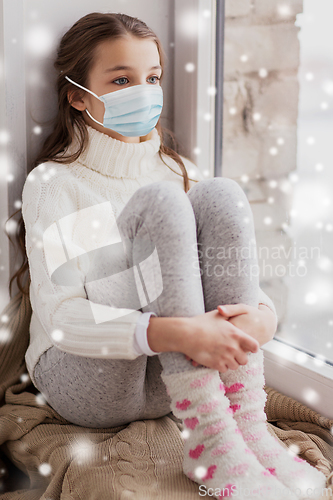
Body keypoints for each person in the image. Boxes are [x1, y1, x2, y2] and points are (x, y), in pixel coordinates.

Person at [16, 12, 325, 500]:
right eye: (121, 80)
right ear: (77, 94)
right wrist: (172, 331)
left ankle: (246, 427)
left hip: (173, 379)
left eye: (152, 78)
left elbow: (229, 277)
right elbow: (61, 318)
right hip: (87, 375)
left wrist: (261, 319)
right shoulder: (56, 184)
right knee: (163, 204)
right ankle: (211, 443)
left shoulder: (179, 170)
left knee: (220, 194)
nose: (144, 92)